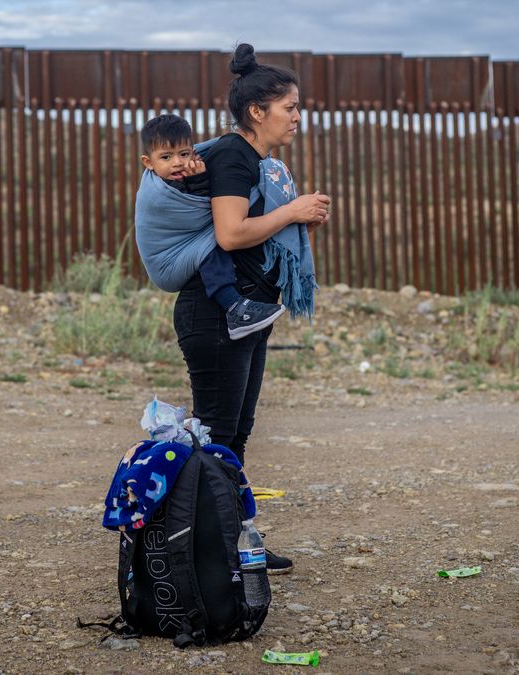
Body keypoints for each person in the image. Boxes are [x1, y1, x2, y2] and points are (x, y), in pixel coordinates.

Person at [173, 43, 331, 575]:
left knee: (233, 434)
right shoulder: (234, 156)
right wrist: (293, 209)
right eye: (290, 107)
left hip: (248, 313)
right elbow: (231, 232)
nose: (298, 117)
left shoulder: (255, 160)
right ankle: (201, 551)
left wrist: (293, 218)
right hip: (218, 316)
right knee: (217, 434)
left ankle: (233, 543)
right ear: (257, 111)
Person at [139, 113, 287, 340]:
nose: (177, 162)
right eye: (166, 157)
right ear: (148, 163)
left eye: (184, 153)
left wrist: (199, 177)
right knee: (213, 246)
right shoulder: (159, 190)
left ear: (193, 151)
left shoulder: (188, 170)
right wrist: (199, 181)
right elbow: (200, 210)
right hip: (167, 260)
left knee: (217, 238)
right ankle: (235, 309)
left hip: (184, 249)